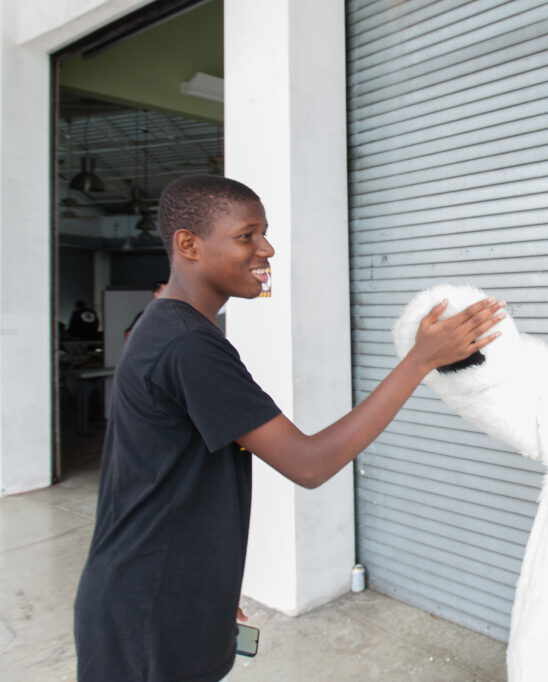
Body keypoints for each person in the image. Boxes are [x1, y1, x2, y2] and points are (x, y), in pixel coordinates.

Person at [73, 175, 505, 682]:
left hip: (160, 593)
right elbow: (309, 463)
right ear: (189, 244)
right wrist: (419, 361)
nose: (267, 248)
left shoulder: (165, 326)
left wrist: (205, 585)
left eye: (264, 233)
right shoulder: (187, 345)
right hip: (147, 616)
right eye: (247, 236)